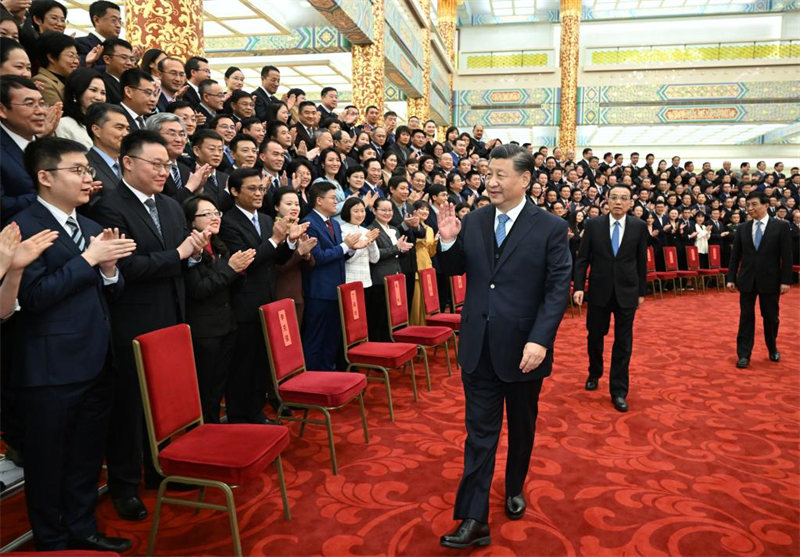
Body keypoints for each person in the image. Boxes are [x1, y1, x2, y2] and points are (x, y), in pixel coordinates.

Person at [436, 144, 571, 549]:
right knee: (479, 435)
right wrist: (446, 243)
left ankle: (515, 485)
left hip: (524, 352)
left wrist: (540, 340)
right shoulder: (474, 221)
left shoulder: (549, 227)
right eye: (487, 173)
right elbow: (452, 269)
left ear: (525, 179)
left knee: (523, 427)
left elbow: (556, 289)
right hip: (478, 347)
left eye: (499, 175)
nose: (490, 182)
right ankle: (474, 518)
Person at [13, 136, 136, 552]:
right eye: (78, 171)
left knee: (85, 456)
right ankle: (51, 539)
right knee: (48, 461)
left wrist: (109, 270)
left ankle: (83, 529)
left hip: (97, 359)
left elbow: (107, 294)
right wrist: (87, 261)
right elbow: (32, 298)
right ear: (45, 177)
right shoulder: (22, 227)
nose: (89, 179)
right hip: (50, 366)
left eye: (89, 170)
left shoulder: (89, 227)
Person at [90, 130, 209, 522]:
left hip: (172, 318)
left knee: (164, 402)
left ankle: (161, 470)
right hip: (132, 321)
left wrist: (190, 256)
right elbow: (125, 265)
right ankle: (125, 486)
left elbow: (179, 260)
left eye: (167, 165)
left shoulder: (173, 207)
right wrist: (177, 254)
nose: (164, 171)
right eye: (155, 164)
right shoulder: (108, 207)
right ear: (127, 162)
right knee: (129, 407)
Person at [219, 167, 304, 422]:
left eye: (261, 189)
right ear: (234, 191)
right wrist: (276, 241)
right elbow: (246, 262)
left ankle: (256, 412)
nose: (258, 194)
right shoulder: (228, 222)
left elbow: (277, 261)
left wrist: (289, 243)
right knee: (242, 365)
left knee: (260, 362)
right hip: (243, 304)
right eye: (252, 189)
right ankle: (238, 416)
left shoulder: (267, 220)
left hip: (268, 301)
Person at [573, 185, 648, 413]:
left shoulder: (639, 226)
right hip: (599, 290)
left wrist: (641, 292)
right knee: (595, 335)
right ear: (606, 200)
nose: (618, 202)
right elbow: (583, 258)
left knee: (623, 343)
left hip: (626, 292)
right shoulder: (593, 225)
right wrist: (578, 287)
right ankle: (594, 372)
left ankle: (618, 390)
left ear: (630, 203)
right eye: (614, 197)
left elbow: (641, 261)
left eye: (623, 198)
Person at [183, 195, 254, 424]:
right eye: (207, 214)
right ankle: (204, 430)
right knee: (204, 387)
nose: (214, 217)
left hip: (227, 324)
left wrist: (239, 271)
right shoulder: (190, 248)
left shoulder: (220, 244)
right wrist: (231, 270)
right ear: (192, 221)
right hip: (204, 330)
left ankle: (214, 425)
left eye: (216, 213)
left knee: (218, 385)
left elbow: (230, 284)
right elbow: (198, 290)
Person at [301, 181, 371, 370]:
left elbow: (341, 254)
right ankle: (313, 381)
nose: (337, 202)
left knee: (332, 337)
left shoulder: (333, 223)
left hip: (337, 289)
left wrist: (350, 249)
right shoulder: (309, 223)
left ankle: (328, 375)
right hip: (319, 291)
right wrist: (344, 247)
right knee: (315, 338)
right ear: (319, 200)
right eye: (333, 198)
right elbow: (319, 257)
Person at [726, 191, 793, 368]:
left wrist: (786, 281)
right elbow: (735, 257)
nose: (750, 208)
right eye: (748, 205)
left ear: (766, 205)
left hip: (771, 281)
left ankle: (772, 347)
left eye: (754, 204)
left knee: (771, 317)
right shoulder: (742, 228)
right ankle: (743, 355)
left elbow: (787, 256)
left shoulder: (781, 226)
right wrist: (731, 277)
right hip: (747, 280)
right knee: (746, 317)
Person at [367, 197, 413, 342]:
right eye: (383, 210)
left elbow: (397, 253)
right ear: (374, 211)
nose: (387, 213)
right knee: (380, 317)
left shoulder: (393, 229)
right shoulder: (371, 230)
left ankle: (393, 343)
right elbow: (375, 255)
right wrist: (396, 248)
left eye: (390, 210)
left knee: (394, 316)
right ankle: (380, 348)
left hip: (396, 277)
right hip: (380, 279)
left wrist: (403, 250)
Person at [273, 186, 317, 327]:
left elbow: (310, 265)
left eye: (297, 204)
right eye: (289, 204)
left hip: (298, 294)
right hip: (280, 294)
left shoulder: (298, 227)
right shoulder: (273, 230)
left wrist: (307, 254)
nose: (294, 207)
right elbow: (278, 266)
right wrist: (298, 253)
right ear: (276, 206)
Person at [56, 68, 105, 149]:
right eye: (93, 90)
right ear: (76, 93)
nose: (99, 97)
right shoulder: (64, 125)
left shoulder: (105, 125)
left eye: (103, 93)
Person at [340, 196, 380, 288]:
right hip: (350, 281)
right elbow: (349, 259)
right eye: (356, 211)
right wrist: (366, 241)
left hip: (367, 281)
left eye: (362, 211)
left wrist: (372, 242)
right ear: (347, 212)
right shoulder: (342, 230)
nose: (360, 214)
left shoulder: (365, 231)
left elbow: (374, 259)